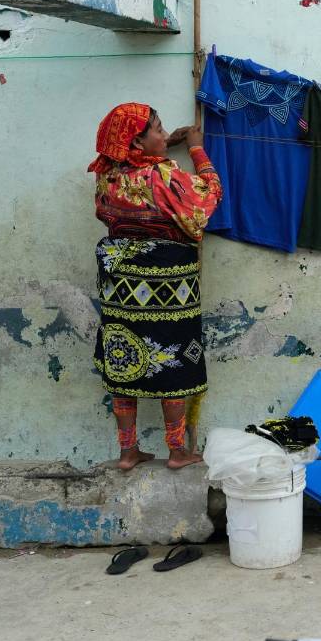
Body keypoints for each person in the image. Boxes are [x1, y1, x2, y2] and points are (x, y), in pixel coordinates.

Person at [88, 103, 222, 470]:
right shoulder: (161, 176)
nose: (164, 136)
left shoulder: (107, 175)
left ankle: (128, 452)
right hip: (167, 284)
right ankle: (177, 451)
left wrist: (167, 144)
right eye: (158, 131)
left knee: (123, 357)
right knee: (174, 357)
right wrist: (195, 146)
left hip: (121, 286)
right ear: (137, 140)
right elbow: (208, 199)